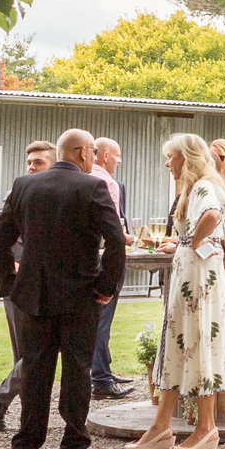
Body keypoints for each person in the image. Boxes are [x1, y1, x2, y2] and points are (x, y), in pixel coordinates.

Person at [0, 128, 127, 449]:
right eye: (93, 153)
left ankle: (26, 448)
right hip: (81, 294)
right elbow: (116, 241)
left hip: (33, 294)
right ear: (82, 153)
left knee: (35, 370)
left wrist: (9, 283)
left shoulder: (24, 185)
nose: (94, 159)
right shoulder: (92, 186)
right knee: (77, 370)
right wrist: (106, 286)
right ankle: (75, 447)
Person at [125, 134, 225, 449]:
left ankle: (205, 429)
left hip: (198, 280)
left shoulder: (202, 187)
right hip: (192, 277)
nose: (167, 164)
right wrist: (185, 242)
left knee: (197, 344)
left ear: (187, 157)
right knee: (178, 345)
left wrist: (188, 241)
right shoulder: (201, 186)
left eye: (171, 157)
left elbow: (212, 216)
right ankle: (161, 426)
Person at [0, 140, 63, 432]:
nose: (31, 167)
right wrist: (14, 271)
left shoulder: (66, 193)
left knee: (39, 353)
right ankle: (21, 418)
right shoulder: (17, 193)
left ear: (55, 164)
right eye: (29, 163)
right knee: (31, 355)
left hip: (55, 286)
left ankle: (2, 399)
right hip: (22, 286)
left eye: (38, 163)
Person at [84, 137, 136, 400]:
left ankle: (103, 370)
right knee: (102, 320)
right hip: (105, 260)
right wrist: (129, 238)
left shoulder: (84, 177)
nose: (119, 160)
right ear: (104, 156)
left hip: (84, 261)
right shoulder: (107, 183)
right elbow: (115, 232)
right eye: (117, 155)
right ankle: (101, 379)